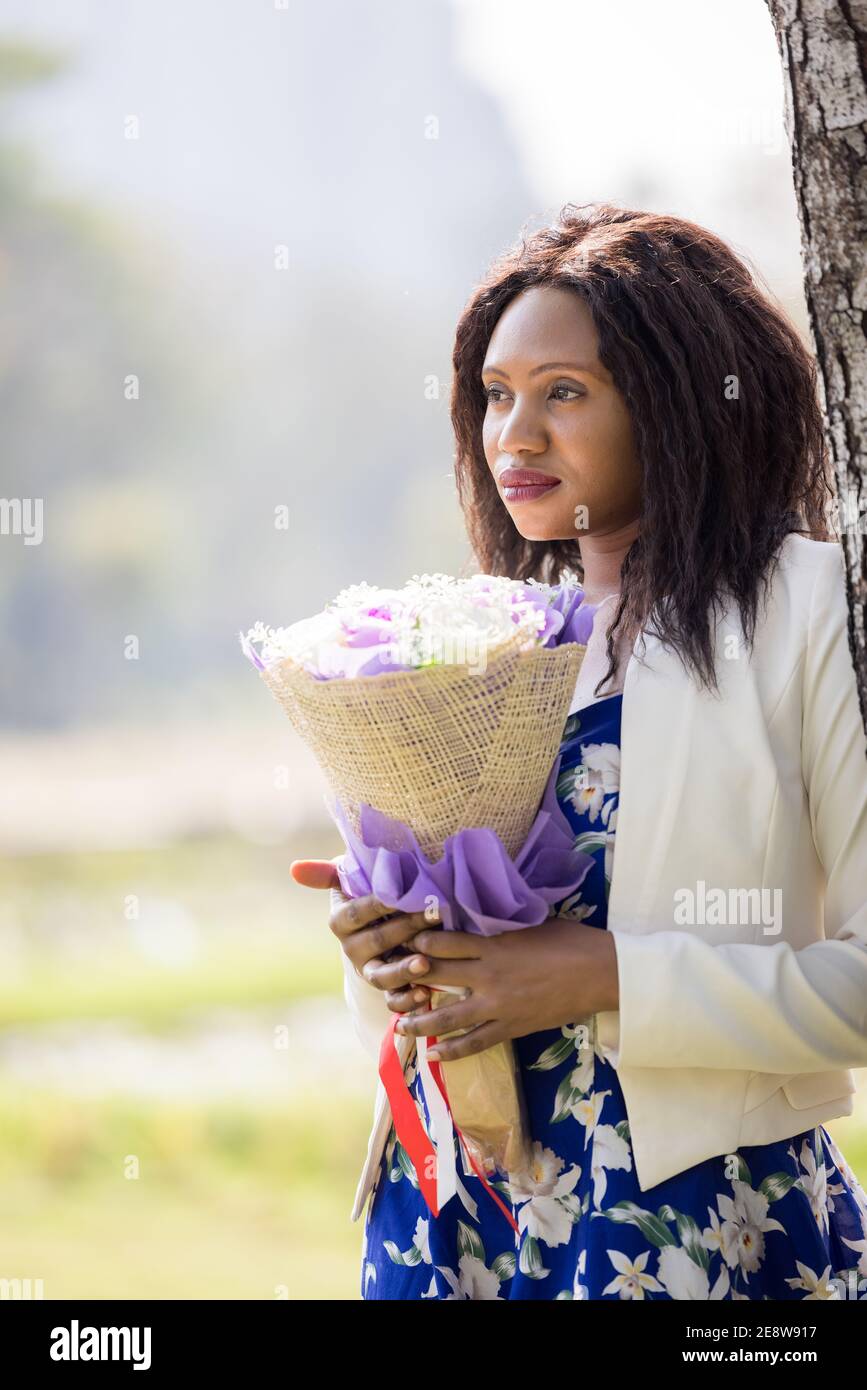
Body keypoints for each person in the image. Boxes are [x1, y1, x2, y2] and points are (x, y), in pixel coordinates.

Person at [291, 203, 867, 1300]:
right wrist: (388, 954)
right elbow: (425, 1009)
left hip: (695, 1219)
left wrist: (609, 976)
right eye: (496, 396)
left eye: (564, 392)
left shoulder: (802, 612)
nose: (513, 436)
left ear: (680, 399)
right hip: (460, 1215)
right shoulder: (485, 643)